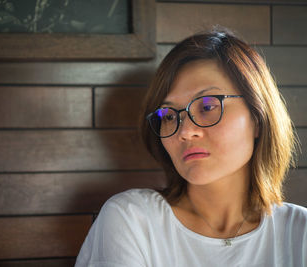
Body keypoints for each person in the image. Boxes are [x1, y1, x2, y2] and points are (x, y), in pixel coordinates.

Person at [75, 29, 307, 266]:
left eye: (207, 106)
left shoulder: (300, 232)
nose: (185, 132)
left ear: (257, 118)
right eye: (168, 115)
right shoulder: (132, 219)